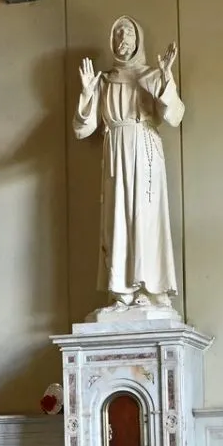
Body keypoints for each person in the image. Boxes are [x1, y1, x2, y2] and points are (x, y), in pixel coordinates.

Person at [74, 15, 185, 311]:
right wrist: (86, 92)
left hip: (145, 151)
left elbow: (175, 115)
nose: (122, 39)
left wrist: (166, 79)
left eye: (128, 34)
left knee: (145, 218)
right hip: (115, 152)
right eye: (118, 34)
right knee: (117, 219)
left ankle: (150, 288)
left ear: (138, 40)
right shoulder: (104, 81)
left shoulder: (151, 75)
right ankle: (121, 292)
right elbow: (82, 128)